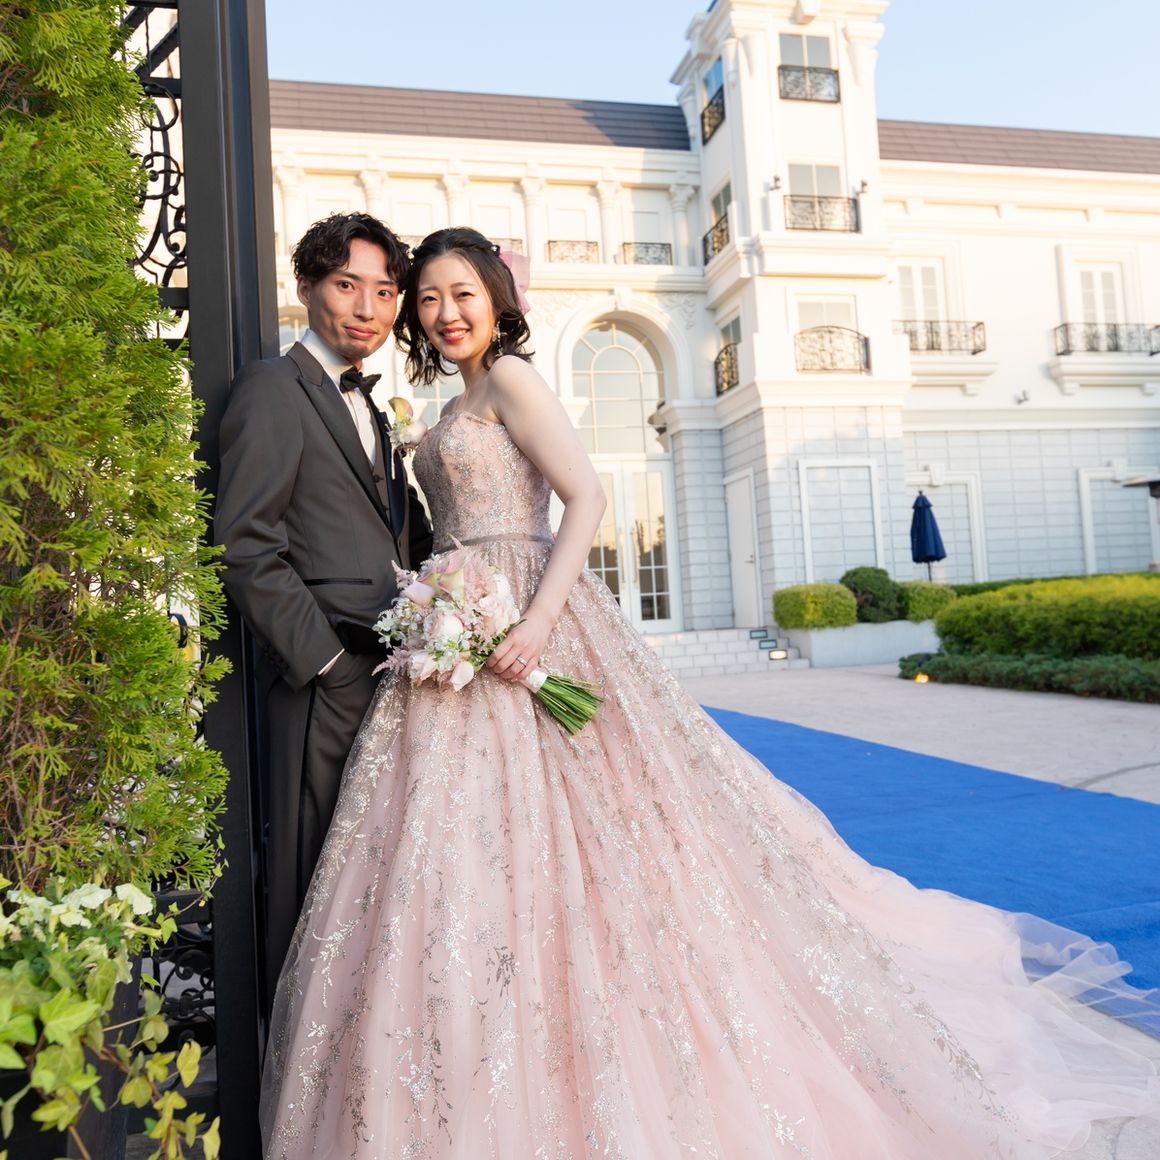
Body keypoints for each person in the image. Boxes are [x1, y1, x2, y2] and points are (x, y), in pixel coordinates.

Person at [260, 227, 1159, 1158]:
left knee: (612, 828)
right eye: (430, 298)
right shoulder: (455, 400)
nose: (446, 313)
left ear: (496, 300)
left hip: (530, 617)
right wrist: (446, 608)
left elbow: (588, 497)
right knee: (460, 849)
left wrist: (535, 622)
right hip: (461, 631)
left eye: (463, 295)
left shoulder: (515, 379)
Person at [215, 213, 433, 1000]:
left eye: (385, 291)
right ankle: (295, 1056)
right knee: (312, 877)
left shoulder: (372, 406)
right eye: (347, 285)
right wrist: (328, 664)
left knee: (372, 878)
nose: (368, 309)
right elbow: (244, 544)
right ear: (306, 285)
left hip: (393, 673)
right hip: (324, 682)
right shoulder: (273, 389)